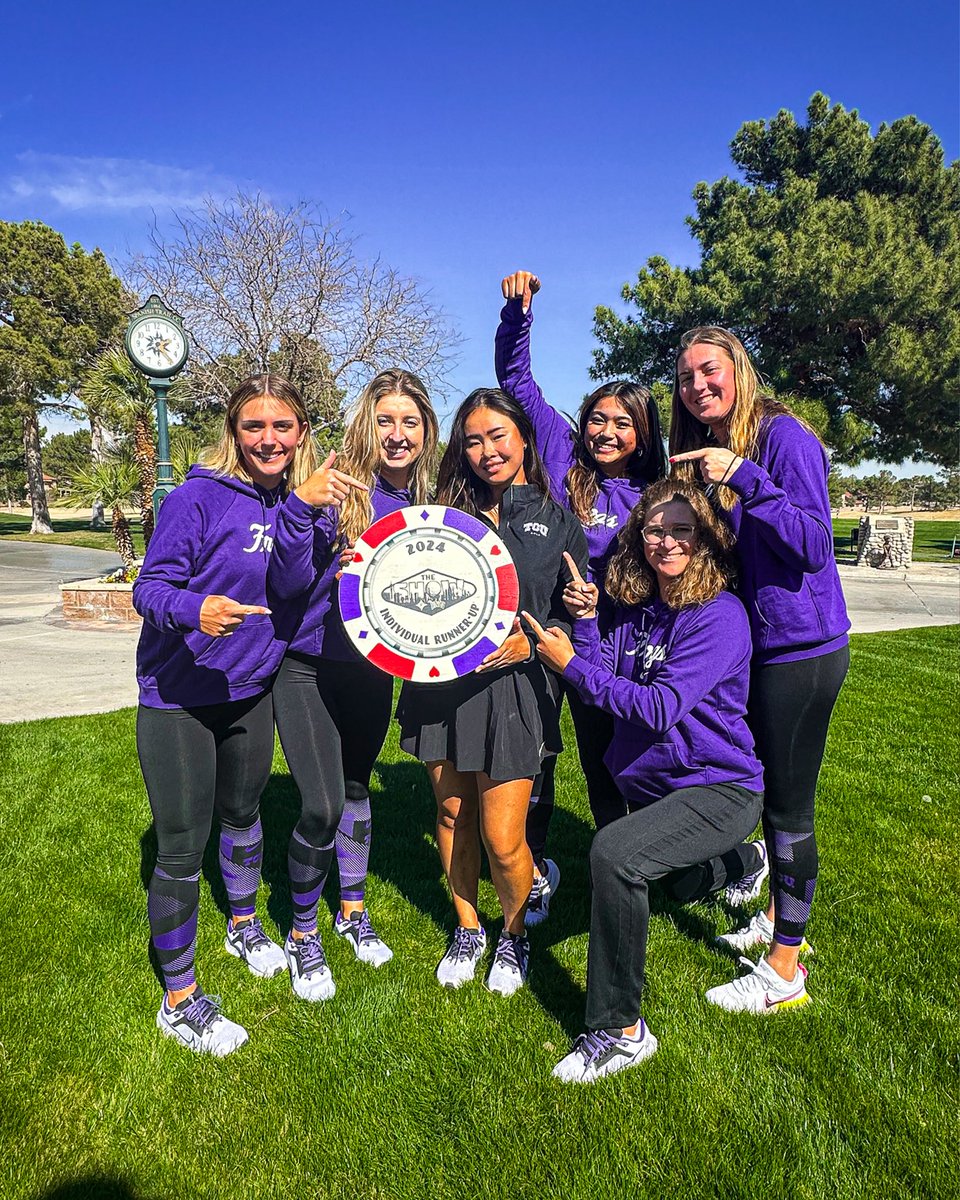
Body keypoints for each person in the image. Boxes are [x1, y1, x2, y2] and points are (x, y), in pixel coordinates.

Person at [525, 479, 767, 1082]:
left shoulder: (720, 616)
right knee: (676, 885)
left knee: (615, 854)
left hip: (719, 787)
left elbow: (657, 708)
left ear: (705, 538)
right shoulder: (640, 613)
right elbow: (602, 676)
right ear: (639, 538)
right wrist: (585, 623)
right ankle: (744, 862)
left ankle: (621, 1032)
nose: (667, 541)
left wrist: (570, 666)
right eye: (655, 530)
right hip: (661, 788)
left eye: (682, 529)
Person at [134, 373, 316, 1056]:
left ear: (300, 432)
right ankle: (179, 998)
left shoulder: (297, 503)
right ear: (233, 432)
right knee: (182, 846)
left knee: (242, 814)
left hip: (250, 692)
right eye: (253, 426)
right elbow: (149, 588)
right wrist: (194, 608)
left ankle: (242, 923)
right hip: (179, 697)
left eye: (282, 426)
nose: (268, 439)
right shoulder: (196, 498)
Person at [669, 326, 850, 1013]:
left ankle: (784, 969)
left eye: (709, 370)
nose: (698, 386)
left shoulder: (782, 438)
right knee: (776, 794)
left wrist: (745, 479)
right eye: (686, 377)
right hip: (763, 649)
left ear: (738, 369)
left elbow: (813, 544)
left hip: (802, 650)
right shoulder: (718, 447)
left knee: (787, 809)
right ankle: (778, 917)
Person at [397, 388, 588, 995]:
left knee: (505, 838)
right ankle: (468, 928)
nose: (487, 452)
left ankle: (514, 935)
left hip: (515, 690)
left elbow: (569, 619)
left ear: (524, 438)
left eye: (498, 436)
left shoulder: (559, 523)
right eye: (474, 441)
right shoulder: (441, 517)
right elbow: (399, 585)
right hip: (441, 687)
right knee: (452, 813)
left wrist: (533, 643)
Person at [496, 271, 668, 923]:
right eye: (598, 417)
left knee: (611, 762)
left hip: (610, 646)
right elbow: (518, 384)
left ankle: (623, 866)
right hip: (544, 633)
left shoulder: (654, 495)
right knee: (538, 752)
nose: (606, 431)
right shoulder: (563, 458)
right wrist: (518, 316)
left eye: (623, 423)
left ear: (643, 434)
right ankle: (536, 867)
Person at [268, 369, 439, 998]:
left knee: (357, 787)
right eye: (385, 420)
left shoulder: (429, 505)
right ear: (366, 423)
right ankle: (303, 933)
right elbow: (285, 584)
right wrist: (314, 537)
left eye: (410, 422)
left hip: (371, 668)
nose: (397, 434)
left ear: (426, 431)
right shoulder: (336, 487)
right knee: (321, 805)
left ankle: (352, 910)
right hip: (308, 664)